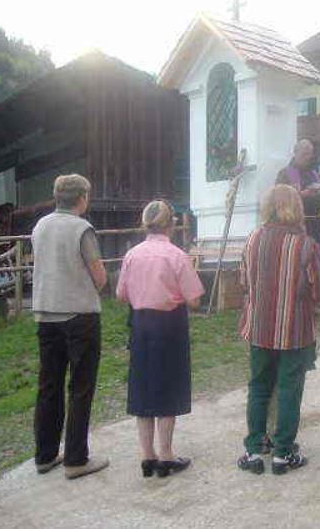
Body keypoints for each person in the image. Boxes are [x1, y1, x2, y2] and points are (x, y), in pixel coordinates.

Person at [236, 184, 320, 475]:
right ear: (297, 207)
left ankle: (253, 449)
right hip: (294, 330)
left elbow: (244, 282)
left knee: (258, 387)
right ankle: (283, 453)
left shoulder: (253, 239)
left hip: (259, 327)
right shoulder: (305, 245)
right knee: (289, 390)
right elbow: (319, 291)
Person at [116, 200, 205, 478]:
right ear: (171, 224)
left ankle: (147, 455)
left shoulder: (132, 255)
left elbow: (121, 294)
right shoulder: (176, 255)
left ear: (145, 224)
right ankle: (166, 454)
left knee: (143, 388)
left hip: (141, 325)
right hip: (169, 326)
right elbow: (194, 300)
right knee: (169, 386)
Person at [31, 174, 109, 479]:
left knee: (48, 385)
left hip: (45, 314)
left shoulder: (40, 226)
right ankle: (76, 459)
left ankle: (45, 455)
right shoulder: (81, 228)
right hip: (79, 316)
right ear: (82, 198)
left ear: (56, 197)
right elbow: (99, 275)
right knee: (80, 387)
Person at [276, 139, 320, 250]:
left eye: (310, 154)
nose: (308, 157)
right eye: (304, 154)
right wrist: (302, 194)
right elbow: (279, 200)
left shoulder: (313, 174)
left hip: (315, 224)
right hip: (295, 225)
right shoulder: (284, 174)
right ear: (295, 152)